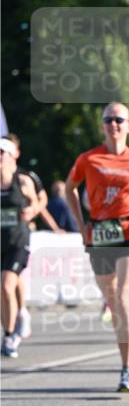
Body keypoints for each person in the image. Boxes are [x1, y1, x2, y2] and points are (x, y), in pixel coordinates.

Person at [65, 103, 129, 391]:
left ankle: (127, 368)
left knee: (122, 296)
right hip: (99, 234)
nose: (114, 124)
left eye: (120, 119)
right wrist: (82, 226)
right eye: (109, 119)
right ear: (102, 126)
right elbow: (70, 187)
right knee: (114, 302)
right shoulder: (88, 158)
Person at [1, 138, 40, 358]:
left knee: (7, 285)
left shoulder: (22, 180)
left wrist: (30, 211)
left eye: (1, 153)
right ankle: (8, 330)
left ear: (10, 156)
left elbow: (35, 202)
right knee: (2, 290)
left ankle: (9, 335)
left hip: (18, 239)